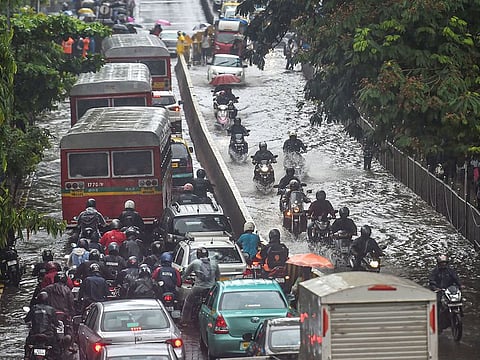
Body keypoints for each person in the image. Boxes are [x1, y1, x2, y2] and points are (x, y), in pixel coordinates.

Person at [180, 247, 220, 325]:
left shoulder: (195, 263)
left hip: (198, 288)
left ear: (198, 254)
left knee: (188, 301)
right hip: (211, 288)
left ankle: (184, 321)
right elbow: (218, 276)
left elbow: (185, 274)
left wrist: (181, 281)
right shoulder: (214, 263)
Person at [24, 292, 59, 359]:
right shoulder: (51, 309)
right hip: (48, 335)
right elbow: (56, 322)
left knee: (27, 346)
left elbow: (26, 319)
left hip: (35, 334)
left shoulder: (33, 308)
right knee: (56, 348)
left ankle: (27, 356)